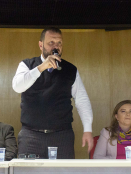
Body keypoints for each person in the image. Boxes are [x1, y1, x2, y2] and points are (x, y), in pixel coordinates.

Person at [12, 27, 93, 159]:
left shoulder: (70, 69)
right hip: (31, 136)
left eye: (59, 43)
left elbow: (82, 100)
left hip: (62, 136)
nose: (56, 46)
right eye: (51, 43)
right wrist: (41, 68)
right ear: (40, 45)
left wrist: (88, 129)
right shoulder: (27, 65)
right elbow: (17, 86)